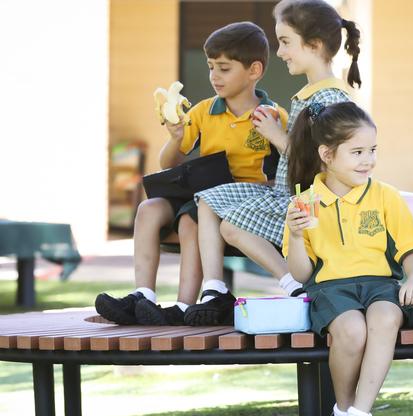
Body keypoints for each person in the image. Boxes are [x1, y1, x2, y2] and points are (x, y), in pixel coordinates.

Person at [95, 21, 288, 325]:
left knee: (189, 219)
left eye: (224, 68)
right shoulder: (202, 111)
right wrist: (175, 137)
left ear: (254, 71)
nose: (214, 76)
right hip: (197, 191)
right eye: (211, 67)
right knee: (147, 209)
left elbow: (285, 167)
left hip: (234, 203)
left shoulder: (272, 116)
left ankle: (184, 306)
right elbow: (167, 164)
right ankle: (142, 294)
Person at [185, 0, 362, 326]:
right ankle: (213, 288)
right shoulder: (311, 93)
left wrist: (276, 135)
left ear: (315, 45)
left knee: (231, 225)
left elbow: (328, 161)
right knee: (208, 200)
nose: (279, 52)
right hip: (282, 192)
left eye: (285, 42)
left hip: (306, 204)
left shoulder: (329, 99)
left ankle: (291, 283)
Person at [284, 102, 413, 416]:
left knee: (383, 320)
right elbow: (301, 273)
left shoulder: (384, 196)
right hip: (332, 290)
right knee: (350, 331)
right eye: (358, 152)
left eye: (373, 151)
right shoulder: (304, 202)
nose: (368, 161)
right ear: (327, 155)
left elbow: (412, 253)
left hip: (381, 287)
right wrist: (297, 235)